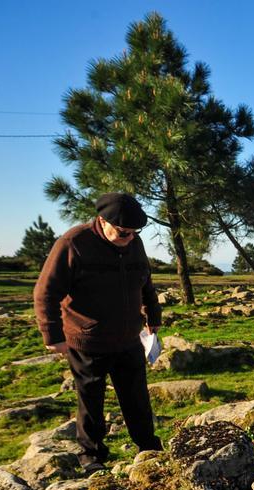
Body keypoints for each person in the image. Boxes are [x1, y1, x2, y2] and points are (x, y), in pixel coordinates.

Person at [33, 192, 163, 469]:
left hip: (129, 338)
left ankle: (148, 447)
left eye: (134, 232)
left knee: (137, 397)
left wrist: (153, 315)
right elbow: (46, 292)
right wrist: (52, 335)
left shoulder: (134, 243)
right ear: (102, 221)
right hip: (88, 340)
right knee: (91, 401)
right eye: (123, 232)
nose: (129, 237)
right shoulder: (73, 243)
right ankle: (91, 456)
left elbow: (146, 283)